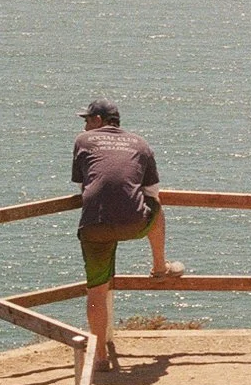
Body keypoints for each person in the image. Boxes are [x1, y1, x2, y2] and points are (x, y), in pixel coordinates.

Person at [71, 98, 184, 370]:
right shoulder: (140, 144)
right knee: (157, 209)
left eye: (87, 119)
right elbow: (152, 193)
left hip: (94, 225)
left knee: (96, 291)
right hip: (134, 222)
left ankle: (99, 358)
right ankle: (159, 266)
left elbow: (82, 184)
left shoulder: (83, 140)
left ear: (98, 120)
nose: (85, 124)